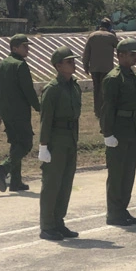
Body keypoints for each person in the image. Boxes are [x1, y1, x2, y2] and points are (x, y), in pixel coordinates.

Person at [37, 46, 82, 241]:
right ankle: (47, 226)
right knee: (52, 184)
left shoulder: (74, 85)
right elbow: (46, 119)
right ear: (58, 65)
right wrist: (43, 145)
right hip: (56, 139)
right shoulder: (52, 89)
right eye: (69, 61)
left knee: (65, 183)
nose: (73, 63)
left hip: (70, 139)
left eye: (73, 60)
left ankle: (58, 222)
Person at [101, 37, 136, 226]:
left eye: (135, 54)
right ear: (120, 56)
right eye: (131, 54)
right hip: (118, 130)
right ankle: (114, 212)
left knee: (128, 173)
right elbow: (107, 108)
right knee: (117, 173)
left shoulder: (131, 75)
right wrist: (107, 133)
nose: (135, 57)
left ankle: (122, 209)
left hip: (131, 129)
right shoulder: (114, 78)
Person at [0, 34, 40, 192]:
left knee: (16, 144)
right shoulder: (20, 65)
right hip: (20, 112)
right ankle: (3, 169)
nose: (28, 49)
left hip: (6, 113)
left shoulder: (1, 65)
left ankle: (16, 182)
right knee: (26, 144)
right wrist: (40, 108)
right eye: (24, 46)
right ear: (14, 48)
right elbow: (28, 91)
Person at [82, 17, 118, 117]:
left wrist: (85, 65)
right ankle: (105, 109)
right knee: (106, 90)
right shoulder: (111, 36)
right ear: (109, 26)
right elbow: (118, 47)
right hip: (107, 68)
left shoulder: (92, 36)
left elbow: (86, 53)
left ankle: (97, 110)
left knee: (96, 89)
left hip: (94, 68)